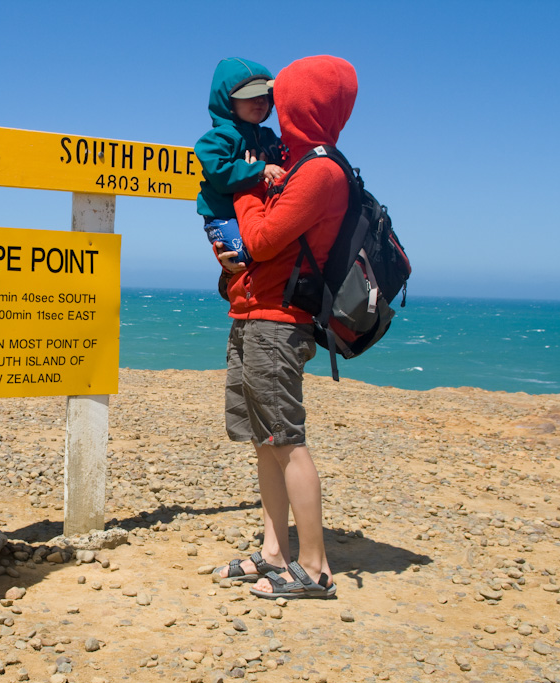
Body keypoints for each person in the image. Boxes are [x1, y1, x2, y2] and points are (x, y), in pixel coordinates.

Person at [212, 55, 358, 599]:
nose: (274, 103)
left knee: (286, 442)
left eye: (285, 95)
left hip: (279, 323)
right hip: (252, 313)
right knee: (263, 442)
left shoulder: (320, 171)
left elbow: (262, 240)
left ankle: (315, 567)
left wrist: (245, 193)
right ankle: (275, 553)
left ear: (305, 102)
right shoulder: (292, 162)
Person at [195, 57, 286, 269]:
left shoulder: (268, 137)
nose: (260, 102)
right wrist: (258, 170)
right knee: (242, 259)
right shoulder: (218, 139)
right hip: (224, 215)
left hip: (257, 215)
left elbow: (289, 161)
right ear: (228, 102)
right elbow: (219, 173)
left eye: (265, 96)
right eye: (250, 96)